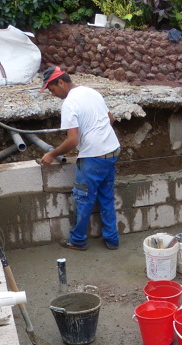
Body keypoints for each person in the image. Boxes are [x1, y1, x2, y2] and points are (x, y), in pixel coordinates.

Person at [39, 66, 121, 251]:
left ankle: (77, 241)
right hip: (112, 151)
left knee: (83, 199)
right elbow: (111, 119)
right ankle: (112, 240)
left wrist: (52, 154)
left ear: (61, 82)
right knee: (106, 197)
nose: (53, 94)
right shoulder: (91, 92)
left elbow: (72, 140)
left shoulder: (69, 104)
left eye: (52, 89)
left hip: (93, 157)